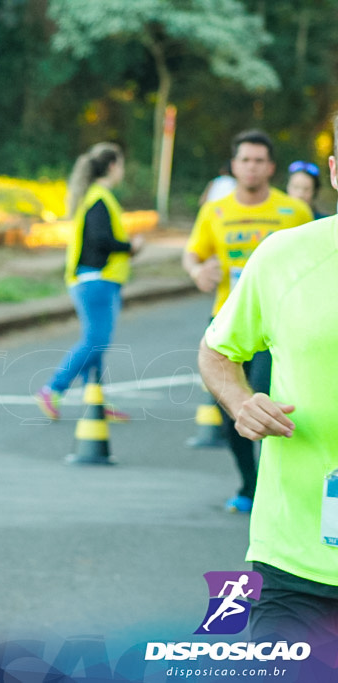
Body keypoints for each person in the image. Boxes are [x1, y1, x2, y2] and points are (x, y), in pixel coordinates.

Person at [198, 118, 338, 643]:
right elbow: (216, 350)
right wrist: (240, 403)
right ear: (335, 170)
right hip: (295, 559)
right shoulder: (285, 255)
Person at [183, 129, 313, 513]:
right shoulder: (215, 211)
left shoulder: (294, 211)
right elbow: (193, 253)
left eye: (259, 161)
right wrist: (196, 272)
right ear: (234, 166)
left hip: (280, 326)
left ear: (270, 167)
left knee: (268, 402)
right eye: (245, 160)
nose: (252, 167)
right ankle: (249, 487)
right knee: (232, 414)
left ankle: (284, 491)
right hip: (228, 324)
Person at [35, 142, 142, 421]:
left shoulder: (96, 197)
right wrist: (130, 247)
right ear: (112, 166)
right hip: (96, 279)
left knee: (97, 343)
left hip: (97, 279)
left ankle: (95, 400)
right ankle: (53, 388)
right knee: (96, 340)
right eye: (121, 165)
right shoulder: (99, 198)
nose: (123, 171)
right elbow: (100, 240)